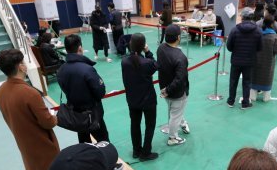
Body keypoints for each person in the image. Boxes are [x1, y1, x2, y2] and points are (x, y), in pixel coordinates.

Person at [0, 49, 59, 170]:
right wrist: (54, 117)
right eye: (23, 62)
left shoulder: (1, 91)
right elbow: (48, 122)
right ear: (20, 67)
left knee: (31, 166)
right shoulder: (29, 93)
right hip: (41, 141)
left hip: (22, 138)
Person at [57, 35, 120, 159]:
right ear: (80, 48)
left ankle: (87, 162)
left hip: (76, 113)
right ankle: (109, 164)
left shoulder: (61, 70)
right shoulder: (87, 69)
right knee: (103, 140)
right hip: (93, 114)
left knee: (84, 141)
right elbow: (100, 91)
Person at [121, 33, 159, 161]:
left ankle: (136, 151)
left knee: (135, 124)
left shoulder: (124, 61)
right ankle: (146, 152)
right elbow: (155, 64)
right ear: (143, 46)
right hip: (148, 100)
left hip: (132, 99)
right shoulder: (147, 63)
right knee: (150, 125)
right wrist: (148, 52)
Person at [157, 24, 191, 146]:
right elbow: (179, 79)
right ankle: (173, 138)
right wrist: (168, 90)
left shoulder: (160, 48)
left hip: (164, 89)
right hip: (175, 92)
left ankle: (182, 123)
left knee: (174, 110)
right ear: (178, 37)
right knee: (175, 114)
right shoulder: (180, 57)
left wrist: (165, 90)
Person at [226, 7, 262, 109]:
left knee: (233, 81)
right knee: (247, 82)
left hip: (236, 60)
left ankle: (230, 101)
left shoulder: (235, 30)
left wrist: (236, 50)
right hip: (250, 61)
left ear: (242, 17)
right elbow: (260, 47)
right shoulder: (258, 31)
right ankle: (245, 103)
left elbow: (229, 46)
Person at [250, 14, 277, 103]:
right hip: (268, 62)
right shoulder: (274, 36)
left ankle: (252, 97)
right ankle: (266, 98)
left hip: (256, 60)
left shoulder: (258, 33)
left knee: (255, 76)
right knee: (267, 78)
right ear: (272, 24)